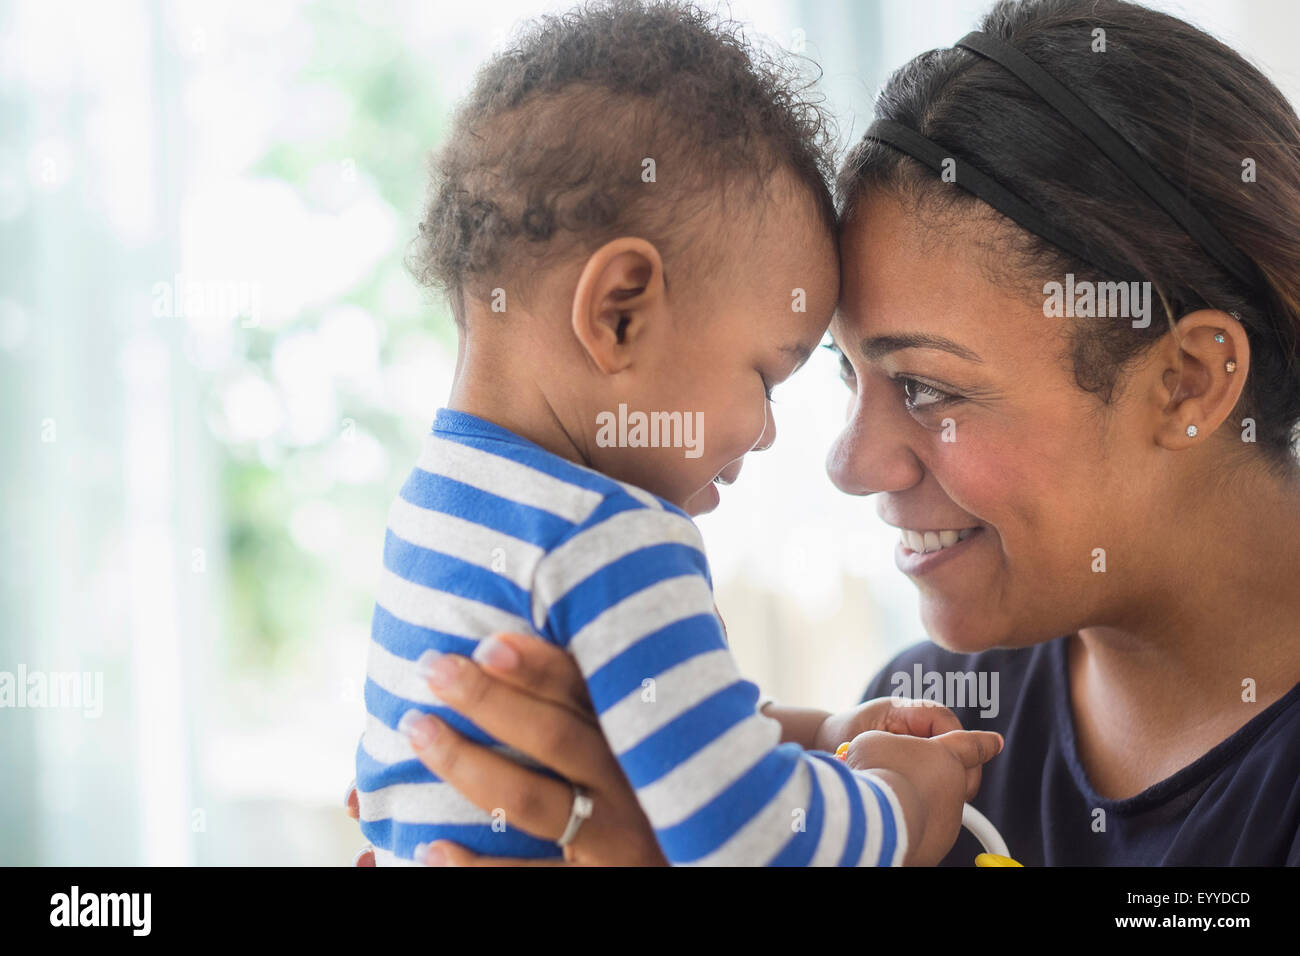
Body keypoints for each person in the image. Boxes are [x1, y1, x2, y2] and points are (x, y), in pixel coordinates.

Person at [351, 0, 1300, 866]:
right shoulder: (925, 720)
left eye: (927, 384)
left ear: (1187, 382)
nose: (847, 465)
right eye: (848, 376)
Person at [353, 0, 1002, 867]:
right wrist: (902, 805)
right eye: (766, 377)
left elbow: (661, 722)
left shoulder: (439, 505)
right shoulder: (613, 537)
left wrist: (830, 730)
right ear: (620, 314)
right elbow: (752, 838)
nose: (768, 434)